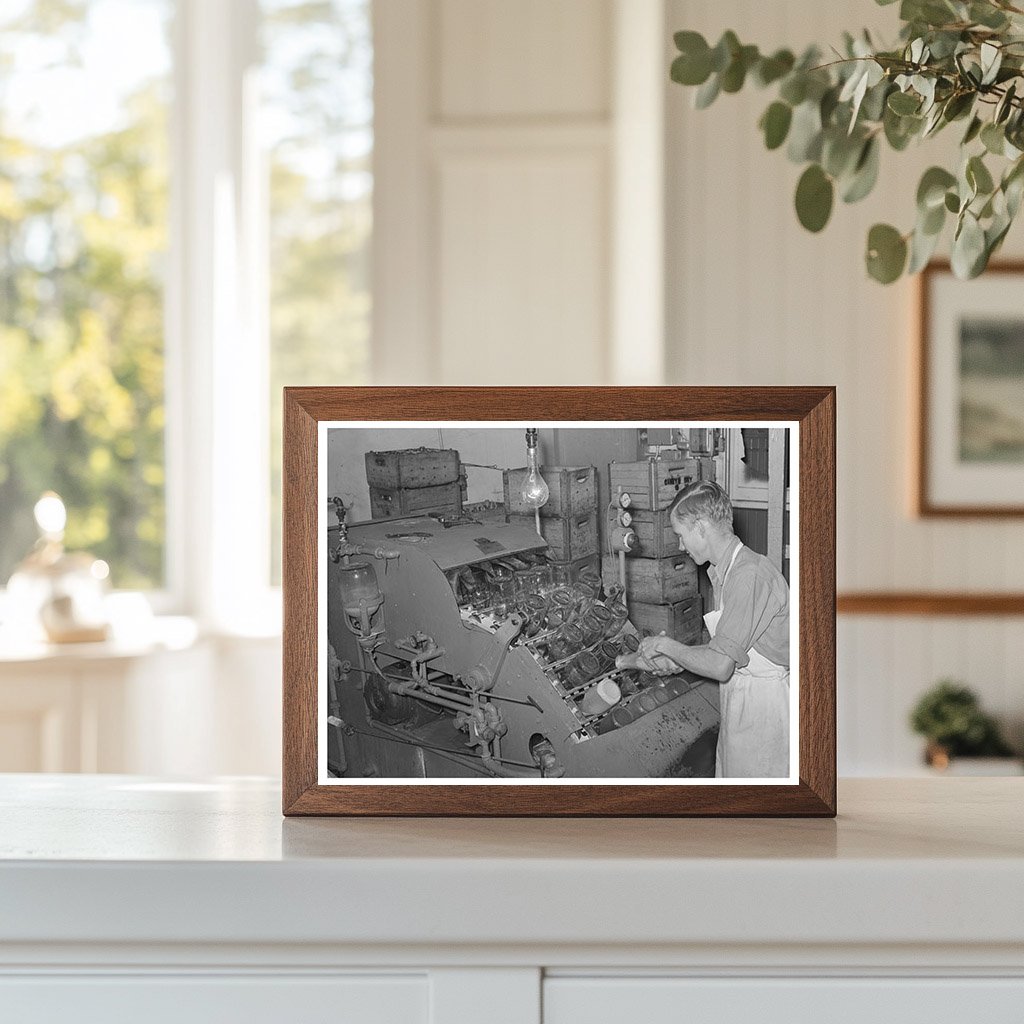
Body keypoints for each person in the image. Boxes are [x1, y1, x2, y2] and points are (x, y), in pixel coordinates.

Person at [616, 480, 790, 778]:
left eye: (681, 535)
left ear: (700, 527)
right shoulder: (725, 571)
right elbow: (725, 647)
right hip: (742, 699)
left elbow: (721, 665)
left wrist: (668, 646)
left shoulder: (749, 576)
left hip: (764, 711)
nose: (681, 546)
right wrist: (678, 660)